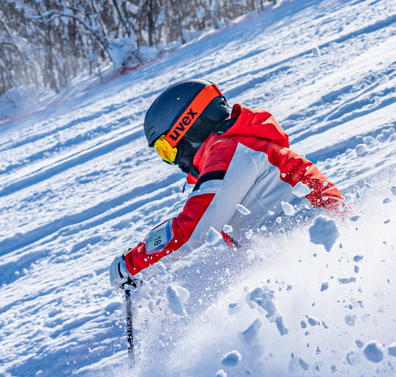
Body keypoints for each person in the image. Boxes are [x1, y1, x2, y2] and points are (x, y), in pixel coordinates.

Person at [109, 79, 348, 290]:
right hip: (308, 257)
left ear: (187, 127)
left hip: (321, 252)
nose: (173, 163)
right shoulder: (236, 149)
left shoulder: (231, 150)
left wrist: (132, 265)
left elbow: (193, 228)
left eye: (167, 150)